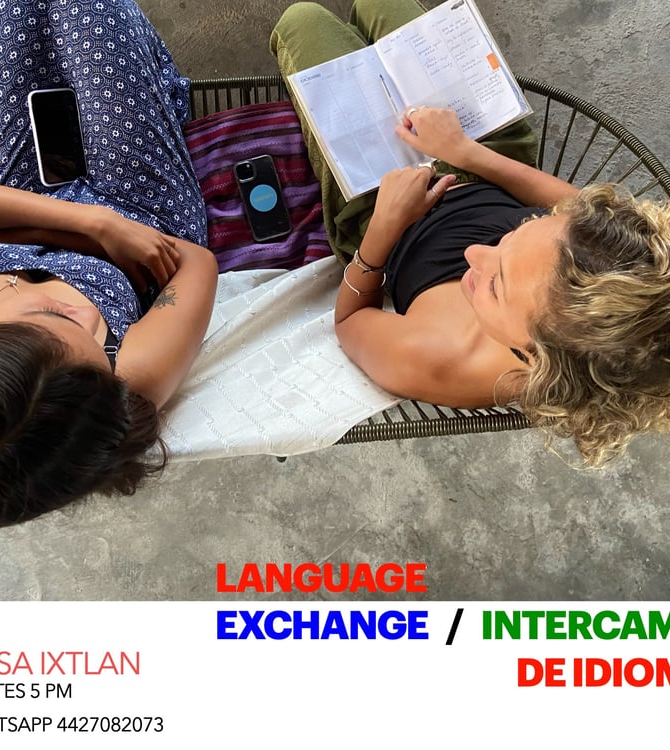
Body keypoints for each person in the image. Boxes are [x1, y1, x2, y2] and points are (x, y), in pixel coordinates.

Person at [272, 0, 670, 467]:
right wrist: (462, 151)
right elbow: (575, 207)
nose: (476, 251)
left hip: (378, 198)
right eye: (525, 227)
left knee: (303, 20)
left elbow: (350, 321)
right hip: (485, 157)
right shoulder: (594, 262)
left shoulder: (437, 360)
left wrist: (384, 226)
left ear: (536, 361)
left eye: (496, 286)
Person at [0, 0, 218, 528]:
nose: (89, 316)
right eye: (98, 344)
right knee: (86, 8)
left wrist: (92, 226)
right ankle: (156, 91)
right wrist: (100, 223)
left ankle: (156, 88)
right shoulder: (119, 388)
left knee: (12, 6)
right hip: (142, 210)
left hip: (21, 195)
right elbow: (195, 264)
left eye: (50, 315)